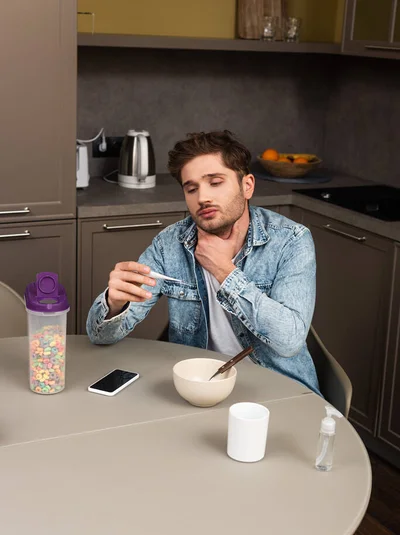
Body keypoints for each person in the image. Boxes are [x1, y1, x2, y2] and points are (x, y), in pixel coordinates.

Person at [87, 130, 319, 394]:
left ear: (247, 186)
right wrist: (114, 305)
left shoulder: (291, 241)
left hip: (278, 392)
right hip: (200, 389)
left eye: (215, 182)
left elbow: (289, 341)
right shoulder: (169, 244)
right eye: (192, 188)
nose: (202, 198)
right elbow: (100, 337)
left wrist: (224, 270)